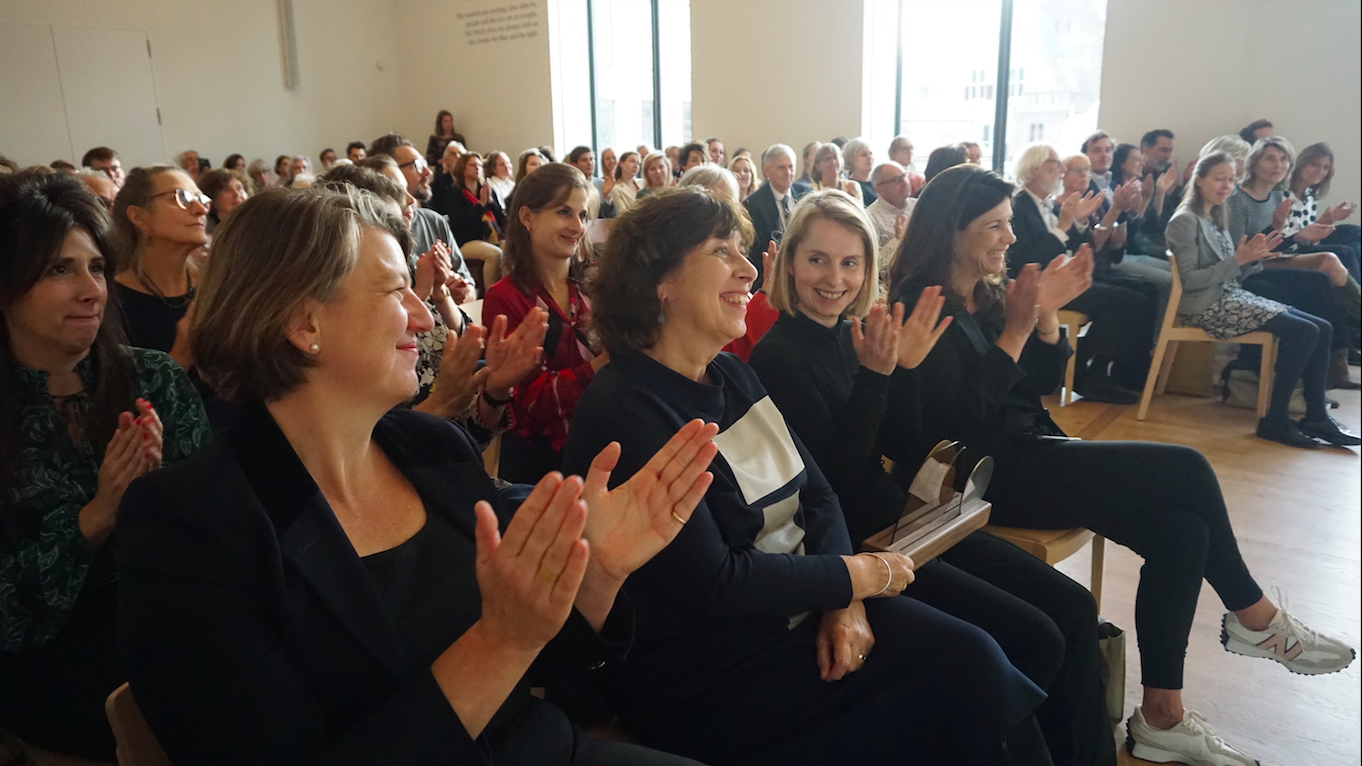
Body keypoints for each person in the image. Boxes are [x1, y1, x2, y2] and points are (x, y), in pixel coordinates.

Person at [117, 183, 718, 765]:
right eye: (395, 291)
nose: (423, 318)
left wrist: (599, 574)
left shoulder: (429, 448)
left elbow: (532, 664)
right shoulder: (188, 525)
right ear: (304, 324)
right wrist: (498, 642)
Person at [563, 186, 1052, 766]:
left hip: (798, 609)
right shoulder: (628, 407)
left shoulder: (729, 374)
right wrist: (855, 578)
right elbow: (716, 582)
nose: (748, 270)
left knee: (978, 655)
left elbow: (818, 493)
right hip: (713, 665)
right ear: (658, 281)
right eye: (722, 251)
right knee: (963, 675)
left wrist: (844, 598)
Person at [887, 162, 1356, 766]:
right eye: (994, 226)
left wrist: (1045, 322)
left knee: (1181, 534)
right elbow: (962, 424)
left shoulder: (981, 291)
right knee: (1187, 468)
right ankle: (1255, 617)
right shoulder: (920, 301)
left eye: (1008, 223)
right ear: (952, 231)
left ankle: (1162, 715)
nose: (1008, 238)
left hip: (1025, 448)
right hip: (980, 475)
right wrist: (1019, 326)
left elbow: (1037, 392)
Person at [748, 188, 1114, 766]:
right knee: (1037, 637)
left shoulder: (850, 334)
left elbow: (902, 443)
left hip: (910, 522)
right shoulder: (778, 357)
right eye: (817, 259)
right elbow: (835, 482)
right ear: (789, 260)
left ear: (869, 268)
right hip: (867, 543)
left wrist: (905, 371)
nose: (833, 279)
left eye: (851, 263)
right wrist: (878, 376)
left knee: (1072, 608)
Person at [0, 171, 209, 761]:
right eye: (58, 270)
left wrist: (168, 497)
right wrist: (94, 518)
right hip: (54, 651)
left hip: (172, 607)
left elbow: (219, 521)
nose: (91, 290)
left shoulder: (152, 378)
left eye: (95, 267)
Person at [1181, 152, 1357, 448]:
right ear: (1199, 181)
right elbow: (1191, 281)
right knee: (1306, 330)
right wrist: (1238, 259)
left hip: (1230, 293)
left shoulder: (1217, 214)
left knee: (1323, 326)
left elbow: (1241, 266)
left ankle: (1316, 416)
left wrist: (1258, 248)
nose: (1226, 185)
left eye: (1230, 179)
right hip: (1208, 304)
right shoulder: (1185, 221)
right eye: (1218, 179)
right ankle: (1275, 420)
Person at [484, 165, 607, 483]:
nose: (577, 226)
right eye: (564, 212)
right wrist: (604, 364)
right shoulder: (506, 298)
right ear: (527, 217)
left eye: (582, 215)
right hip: (544, 463)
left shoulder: (591, 285)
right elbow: (534, 402)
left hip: (603, 438)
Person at [1009, 145, 1151, 403]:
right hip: (1042, 284)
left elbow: (1070, 245)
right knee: (1127, 301)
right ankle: (1088, 371)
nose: (1061, 170)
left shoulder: (1046, 205)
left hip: (1063, 274)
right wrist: (1064, 226)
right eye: (1055, 164)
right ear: (1035, 168)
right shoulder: (1018, 206)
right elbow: (1027, 260)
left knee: (1145, 290)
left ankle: (1123, 372)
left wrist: (1077, 223)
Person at [1226, 137, 1359, 384]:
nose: (1278, 165)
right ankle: (1325, 370)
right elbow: (1238, 254)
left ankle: (1327, 369)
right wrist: (1295, 235)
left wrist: (1294, 234)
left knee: (1325, 274)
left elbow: (1278, 243)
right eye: (1270, 158)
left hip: (1270, 261)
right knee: (1320, 278)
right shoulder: (1237, 199)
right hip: (1246, 272)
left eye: (1284, 159)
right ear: (1254, 164)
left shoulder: (1276, 197)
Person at [1057, 154, 1172, 341]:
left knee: (1148, 291)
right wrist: (1115, 210)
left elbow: (1117, 247)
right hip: (1082, 274)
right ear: (1062, 174)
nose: (1084, 174)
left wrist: (1122, 213)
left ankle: (1141, 361)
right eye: (1078, 170)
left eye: (1087, 170)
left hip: (1101, 268)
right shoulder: (1058, 206)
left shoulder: (1094, 203)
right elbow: (1089, 248)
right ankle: (1095, 360)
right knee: (1133, 301)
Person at [368, 135, 475, 285]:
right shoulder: (376, 236)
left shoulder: (434, 221)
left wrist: (460, 289)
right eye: (417, 165)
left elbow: (470, 286)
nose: (427, 172)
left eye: (424, 164)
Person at [743, 144, 809, 289]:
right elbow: (756, 252)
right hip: (773, 278)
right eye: (781, 167)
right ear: (767, 170)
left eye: (791, 167)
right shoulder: (753, 204)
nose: (788, 172)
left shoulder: (807, 195)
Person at [865, 161, 916, 249]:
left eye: (904, 175)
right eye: (896, 180)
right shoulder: (870, 217)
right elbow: (876, 259)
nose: (904, 182)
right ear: (879, 189)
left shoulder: (919, 205)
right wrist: (898, 240)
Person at [198, 168, 251, 235]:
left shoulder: (256, 223)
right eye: (227, 190)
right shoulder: (205, 232)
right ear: (213, 198)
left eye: (239, 188)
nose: (236, 194)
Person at [841, 138, 878, 205]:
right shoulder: (852, 187)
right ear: (852, 160)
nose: (870, 157)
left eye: (870, 153)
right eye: (864, 155)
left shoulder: (878, 182)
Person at [1081, 131, 1114, 198]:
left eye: (1108, 150)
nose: (1104, 155)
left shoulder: (1114, 185)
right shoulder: (1081, 186)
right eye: (1097, 151)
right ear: (1085, 156)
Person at [609, 151, 642, 215]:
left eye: (638, 163)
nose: (636, 166)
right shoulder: (616, 189)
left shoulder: (643, 183)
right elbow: (623, 214)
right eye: (632, 161)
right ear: (621, 163)